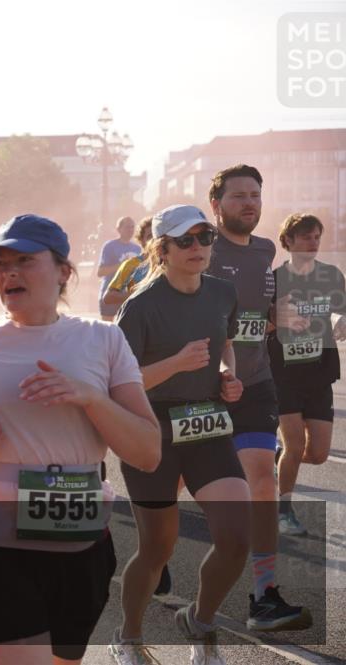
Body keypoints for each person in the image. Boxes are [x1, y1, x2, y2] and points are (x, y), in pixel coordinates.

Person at [0, 214, 160, 665]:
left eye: (24, 260)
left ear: (63, 270)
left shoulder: (103, 339)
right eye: (0, 264)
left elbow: (147, 451)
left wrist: (89, 398)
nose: (9, 273)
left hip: (82, 542)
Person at [110, 204, 251, 665]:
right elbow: (117, 385)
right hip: (151, 428)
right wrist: (176, 363)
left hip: (207, 422)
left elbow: (224, 347)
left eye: (204, 238)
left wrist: (228, 376)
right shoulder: (141, 305)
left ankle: (201, 623)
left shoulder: (222, 293)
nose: (197, 248)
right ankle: (128, 637)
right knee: (157, 548)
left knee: (236, 536)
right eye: (185, 240)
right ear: (162, 249)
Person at [204, 164, 311, 631]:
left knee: (261, 482)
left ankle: (263, 595)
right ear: (217, 205)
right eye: (238, 196)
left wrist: (277, 315)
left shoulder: (266, 249)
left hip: (256, 383)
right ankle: (157, 562)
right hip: (201, 389)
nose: (249, 203)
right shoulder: (200, 248)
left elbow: (259, 312)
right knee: (172, 496)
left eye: (255, 195)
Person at [268, 213, 346, 536]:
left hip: (319, 374)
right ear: (287, 241)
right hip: (283, 374)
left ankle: (276, 457)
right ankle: (283, 512)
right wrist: (277, 322)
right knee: (296, 445)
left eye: (316, 237)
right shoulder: (273, 280)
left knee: (317, 453)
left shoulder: (329, 276)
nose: (312, 243)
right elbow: (259, 324)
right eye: (305, 237)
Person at [102, 216, 154, 308]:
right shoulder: (132, 264)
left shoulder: (172, 263)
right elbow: (108, 298)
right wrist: (139, 295)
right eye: (150, 236)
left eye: (157, 236)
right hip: (137, 316)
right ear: (141, 240)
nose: (154, 240)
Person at [97, 216, 141, 321]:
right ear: (119, 229)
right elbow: (100, 272)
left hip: (128, 295)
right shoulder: (109, 246)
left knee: (128, 331)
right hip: (110, 294)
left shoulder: (137, 248)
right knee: (107, 330)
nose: (130, 230)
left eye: (132, 227)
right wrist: (124, 265)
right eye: (127, 227)